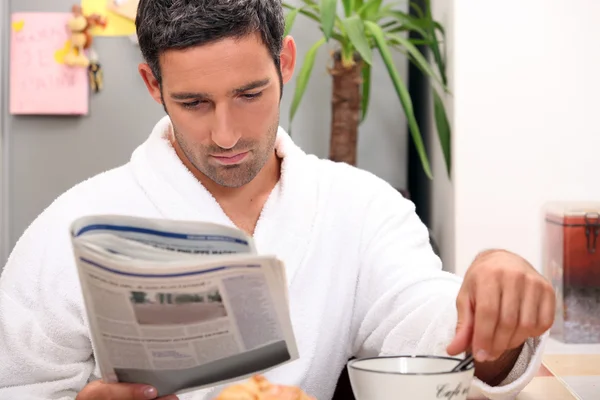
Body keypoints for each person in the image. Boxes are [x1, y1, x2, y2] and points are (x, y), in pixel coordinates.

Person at [0, 0, 555, 399]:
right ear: (152, 85)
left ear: (285, 63)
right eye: (193, 102)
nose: (225, 135)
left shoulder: (358, 209)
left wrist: (492, 306)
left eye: (250, 94)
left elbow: (436, 338)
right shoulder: (70, 228)